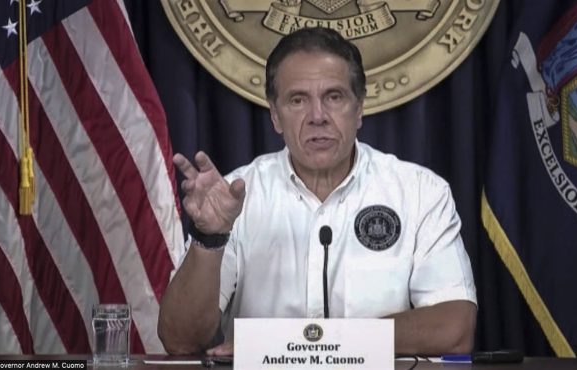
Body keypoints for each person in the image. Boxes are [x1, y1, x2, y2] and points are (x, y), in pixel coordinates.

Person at [158, 27, 477, 356]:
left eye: (334, 97)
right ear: (275, 116)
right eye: (298, 100)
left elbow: (454, 329)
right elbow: (181, 341)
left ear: (359, 110)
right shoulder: (236, 196)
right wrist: (210, 239)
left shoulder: (420, 192)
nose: (318, 117)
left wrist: (302, 341)